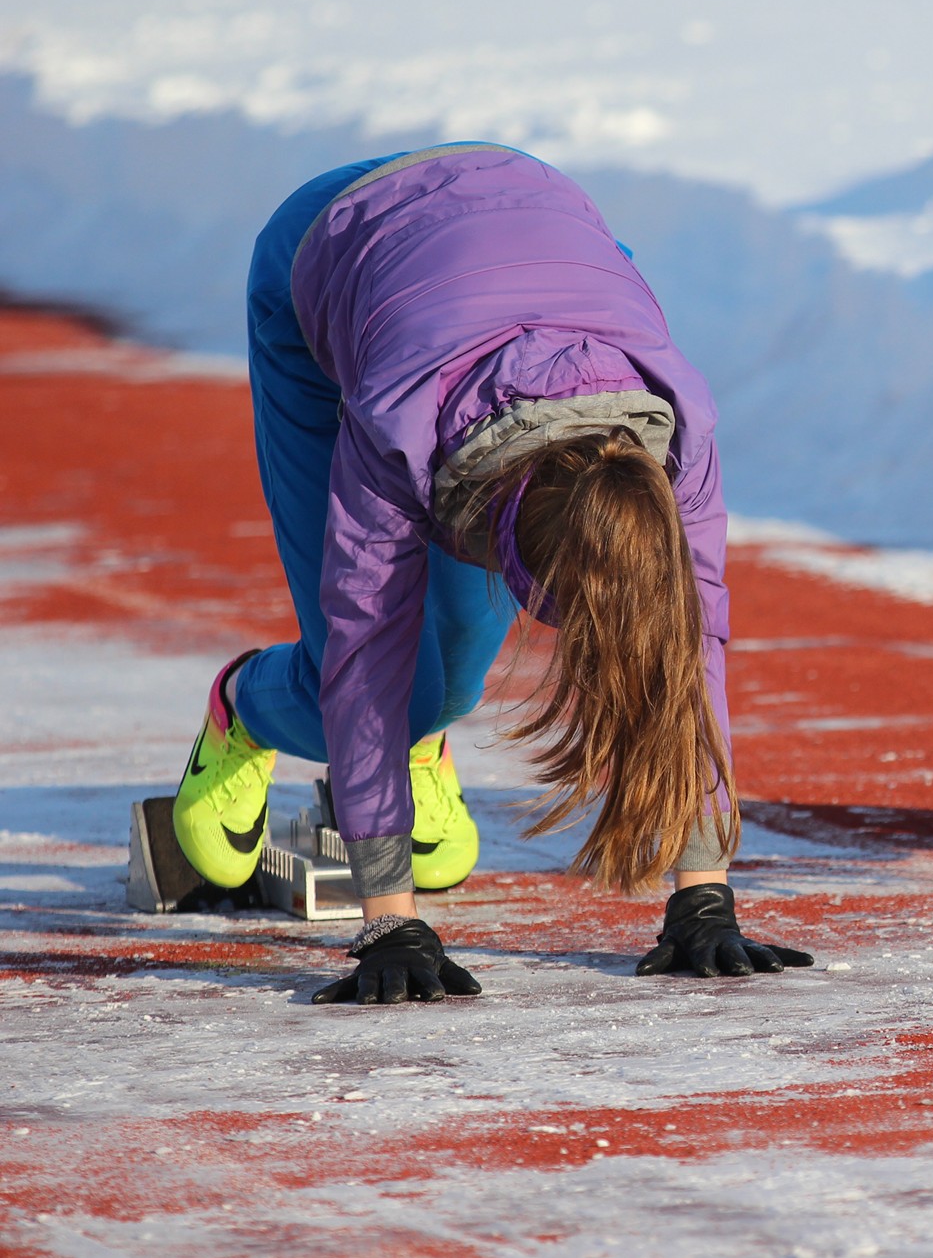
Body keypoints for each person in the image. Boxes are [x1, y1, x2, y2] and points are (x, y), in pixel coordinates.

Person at [171, 143, 815, 1003]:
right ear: (514, 548)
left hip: (515, 218)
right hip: (325, 253)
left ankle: (426, 734)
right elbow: (369, 651)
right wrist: (389, 918)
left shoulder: (675, 437)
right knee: (387, 679)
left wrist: (703, 893)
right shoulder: (398, 424)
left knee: (445, 682)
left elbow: (690, 649)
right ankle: (243, 704)